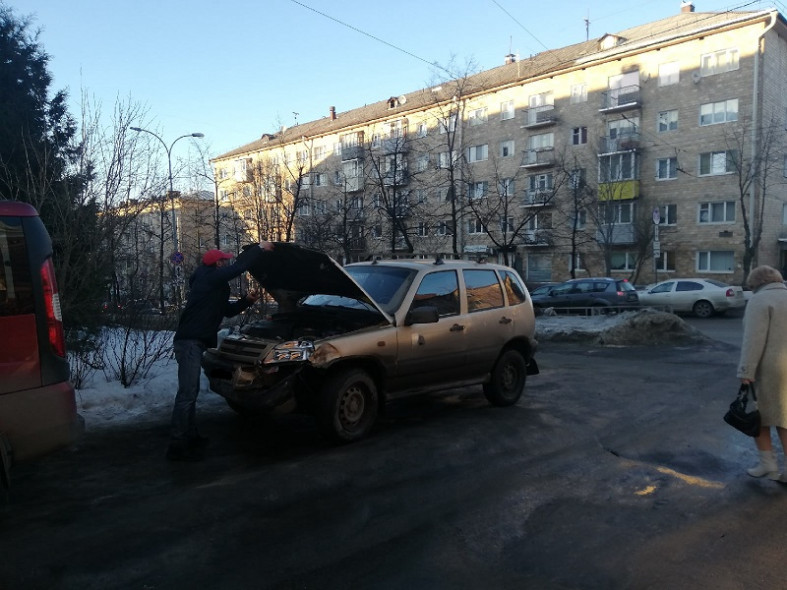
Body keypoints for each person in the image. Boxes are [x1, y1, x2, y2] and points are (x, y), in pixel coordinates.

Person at [167, 241, 274, 461]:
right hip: (189, 342)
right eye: (224, 260)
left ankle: (190, 436)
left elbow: (227, 310)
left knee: (191, 392)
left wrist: (247, 301)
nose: (227, 262)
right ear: (217, 263)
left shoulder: (212, 285)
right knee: (187, 393)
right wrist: (260, 248)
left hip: (193, 342)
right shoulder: (208, 277)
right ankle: (177, 444)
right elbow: (239, 268)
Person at [736, 265, 787, 480]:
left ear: (756, 284)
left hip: (771, 368)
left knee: (759, 416)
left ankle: (768, 464)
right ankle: (771, 466)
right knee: (782, 417)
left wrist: (746, 371)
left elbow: (753, 340)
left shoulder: (759, 300)